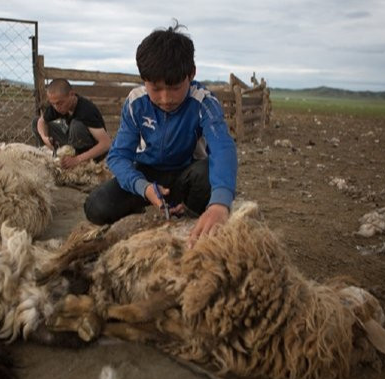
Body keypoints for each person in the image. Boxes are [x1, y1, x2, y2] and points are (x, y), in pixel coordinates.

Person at [84, 21, 238, 247]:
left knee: (207, 173)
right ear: (143, 78)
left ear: (191, 73)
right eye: (155, 88)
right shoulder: (135, 103)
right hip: (147, 176)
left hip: (186, 175)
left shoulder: (204, 101)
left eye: (175, 87)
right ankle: (145, 204)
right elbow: (118, 156)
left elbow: (223, 147)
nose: (166, 98)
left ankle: (190, 213)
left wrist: (220, 204)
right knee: (95, 207)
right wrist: (143, 187)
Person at [32, 79, 111, 168]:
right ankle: (50, 157)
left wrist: (77, 159)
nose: (57, 107)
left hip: (91, 152)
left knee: (76, 125)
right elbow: (41, 121)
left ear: (72, 94)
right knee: (36, 122)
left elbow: (106, 143)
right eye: (53, 104)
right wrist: (45, 137)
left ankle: (77, 163)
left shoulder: (86, 111)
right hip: (72, 143)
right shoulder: (58, 106)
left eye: (60, 103)